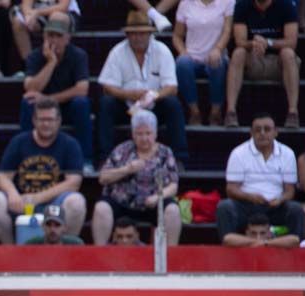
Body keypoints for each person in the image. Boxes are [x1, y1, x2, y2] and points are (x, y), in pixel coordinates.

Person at [0, 96, 86, 242]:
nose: (46, 124)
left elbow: (74, 183)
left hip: (53, 203)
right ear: (34, 120)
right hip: (20, 202)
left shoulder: (70, 144)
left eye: (50, 120)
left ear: (58, 121)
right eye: (42, 119)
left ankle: (64, 250)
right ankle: (11, 251)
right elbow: (2, 176)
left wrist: (37, 198)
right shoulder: (19, 142)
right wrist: (12, 194)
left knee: (76, 202)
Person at [97, 11, 188, 167]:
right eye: (133, 34)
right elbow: (107, 86)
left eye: (142, 33)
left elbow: (172, 87)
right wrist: (127, 94)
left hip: (154, 106)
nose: (138, 37)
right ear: (127, 35)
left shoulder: (162, 50)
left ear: (149, 34)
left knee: (172, 104)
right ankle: (104, 158)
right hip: (126, 107)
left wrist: (153, 96)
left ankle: (179, 158)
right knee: (106, 103)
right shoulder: (117, 52)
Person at [92, 110, 181, 245]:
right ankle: (100, 253)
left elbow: (174, 186)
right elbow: (103, 178)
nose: (144, 138)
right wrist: (127, 169)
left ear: (155, 134)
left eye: (148, 133)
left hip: (152, 204)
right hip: (122, 203)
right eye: (139, 134)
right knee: (101, 207)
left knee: (173, 210)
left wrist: (158, 197)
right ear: (133, 135)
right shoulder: (122, 150)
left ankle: (170, 256)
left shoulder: (165, 152)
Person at [215, 111, 304, 241]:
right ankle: (229, 247)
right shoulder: (238, 153)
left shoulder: (287, 153)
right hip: (246, 205)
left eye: (267, 129)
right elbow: (231, 189)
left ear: (276, 132)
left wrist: (280, 200)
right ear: (251, 133)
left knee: (295, 209)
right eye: (258, 130)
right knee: (225, 207)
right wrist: (250, 197)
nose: (262, 133)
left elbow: (290, 190)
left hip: (275, 206)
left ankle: (296, 251)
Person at [20, 12, 93, 169]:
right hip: (42, 109)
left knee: (82, 103)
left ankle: (86, 160)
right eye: (50, 35)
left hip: (66, 105)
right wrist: (51, 63)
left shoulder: (79, 55)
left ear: (68, 38)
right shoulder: (35, 56)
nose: (53, 41)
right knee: (27, 102)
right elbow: (30, 87)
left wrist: (48, 99)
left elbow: (82, 89)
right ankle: (26, 157)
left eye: (58, 36)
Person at [224, 0, 299, 129]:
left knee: (288, 53)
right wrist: (254, 43)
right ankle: (230, 111)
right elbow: (240, 41)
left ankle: (293, 112)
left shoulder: (286, 5)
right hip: (253, 59)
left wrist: (268, 42)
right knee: (238, 53)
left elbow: (292, 42)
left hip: (278, 62)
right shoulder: (243, 5)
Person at [173, 0, 233, 126]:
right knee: (182, 63)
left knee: (218, 63)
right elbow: (177, 36)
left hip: (216, 54)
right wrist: (183, 52)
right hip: (192, 57)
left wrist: (218, 49)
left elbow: (227, 31)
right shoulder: (185, 3)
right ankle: (194, 112)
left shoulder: (228, 2)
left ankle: (215, 112)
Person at [12, 0, 82, 63]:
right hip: (39, 15)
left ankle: (55, 63)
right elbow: (26, 6)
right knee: (19, 22)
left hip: (65, 14)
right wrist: (28, 16)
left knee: (55, 18)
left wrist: (37, 13)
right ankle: (29, 63)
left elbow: (63, 7)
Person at [222, 212, 299, 246]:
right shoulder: (242, 242)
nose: (258, 237)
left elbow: (295, 240)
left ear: (269, 232)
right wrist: (259, 242)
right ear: (247, 232)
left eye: (262, 233)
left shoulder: (276, 243)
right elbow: (227, 239)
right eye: (253, 233)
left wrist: (266, 243)